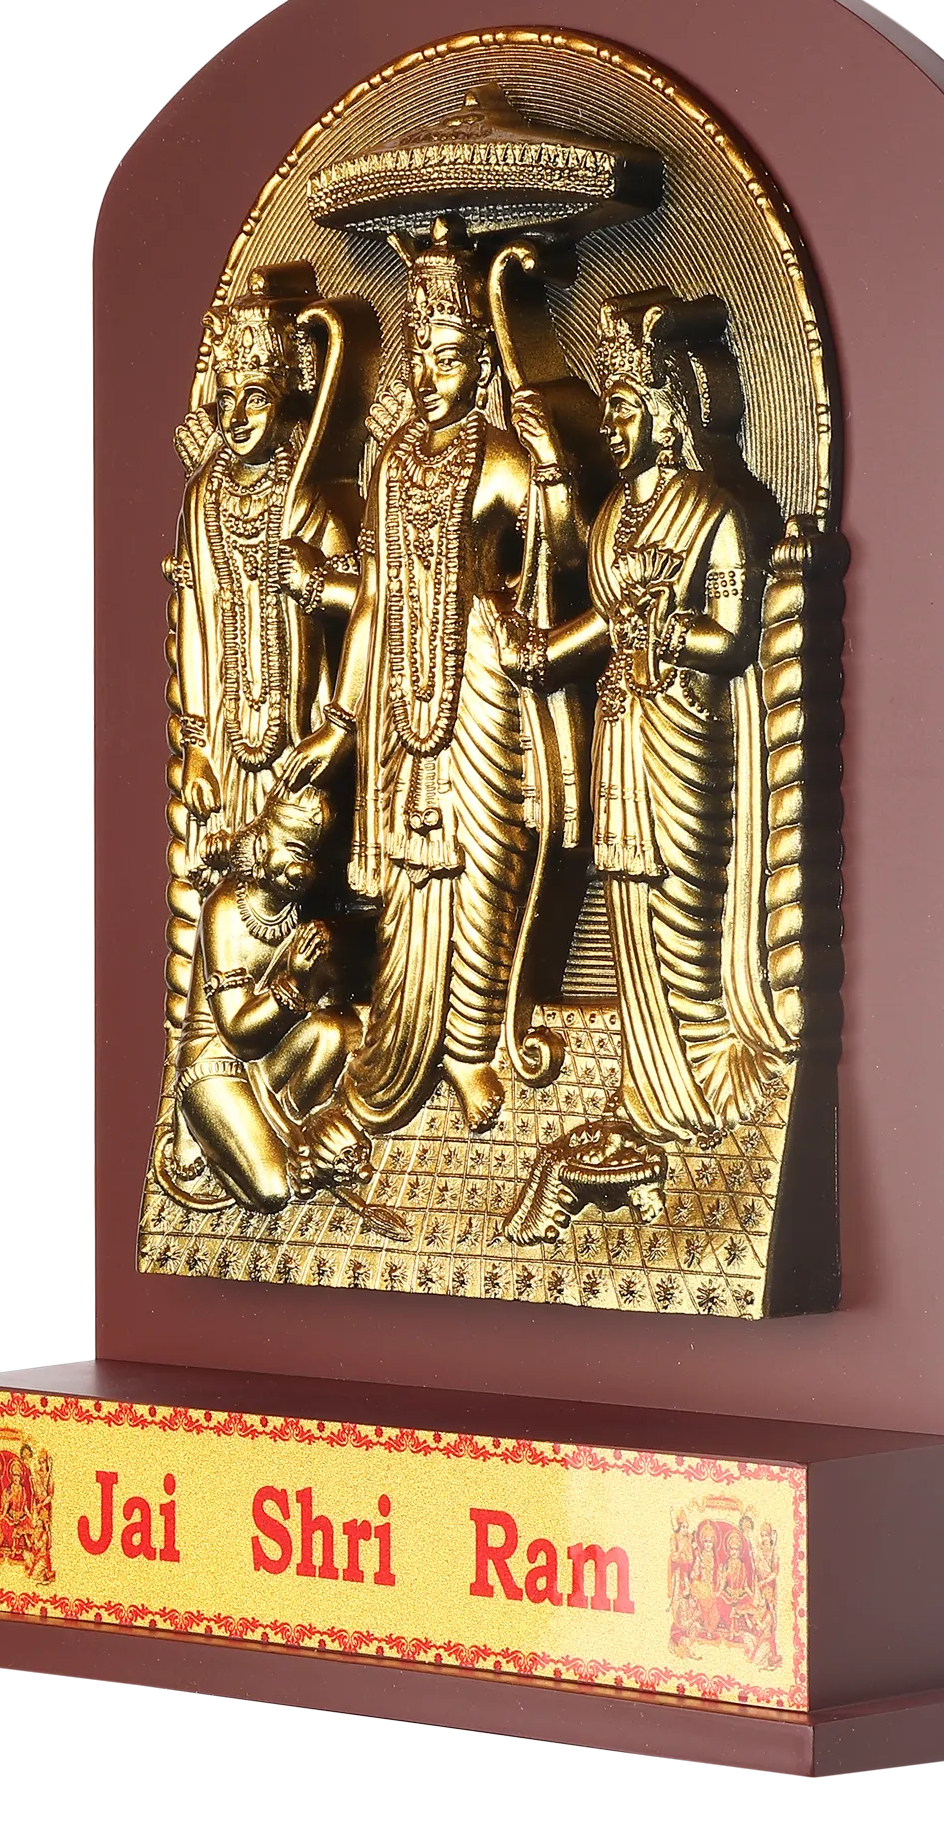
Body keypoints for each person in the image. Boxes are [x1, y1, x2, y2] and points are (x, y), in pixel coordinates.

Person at [285, 216, 578, 1160]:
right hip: (400, 691)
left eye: (448, 357)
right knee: (414, 880)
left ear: (478, 360)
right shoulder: (391, 461)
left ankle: (473, 1045)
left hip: (482, 677)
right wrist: (340, 720)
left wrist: (554, 474)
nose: (428, 375)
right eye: (419, 356)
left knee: (487, 861)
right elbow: (374, 595)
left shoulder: (503, 456)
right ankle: (407, 1045)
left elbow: (562, 562)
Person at [503, 294, 790, 1142]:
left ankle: (702, 1073)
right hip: (620, 730)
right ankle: (648, 1085)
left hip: (682, 732)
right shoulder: (608, 520)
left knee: (683, 900)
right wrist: (543, 652)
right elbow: (602, 620)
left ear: (666, 416)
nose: (609, 426)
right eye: (608, 409)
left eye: (624, 407)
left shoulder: (715, 511)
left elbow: (732, 637)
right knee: (627, 894)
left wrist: (668, 630)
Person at [150, 267, 361, 1204]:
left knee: (296, 902)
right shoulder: (204, 499)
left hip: (296, 747)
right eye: (228, 398)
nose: (238, 417)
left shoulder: (307, 503)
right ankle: (195, 1118)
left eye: (258, 398)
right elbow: (195, 622)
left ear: (287, 402)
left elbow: (367, 612)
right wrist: (196, 737)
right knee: (214, 905)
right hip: (227, 748)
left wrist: (316, 578)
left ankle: (270, 1097)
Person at [171, 783, 358, 1213]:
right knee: (273, 1191)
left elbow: (327, 1001)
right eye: (295, 851)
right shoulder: (224, 910)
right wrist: (294, 980)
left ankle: (283, 1128)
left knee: (336, 1033)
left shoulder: (299, 915)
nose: (304, 869)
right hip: (215, 1063)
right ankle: (204, 1126)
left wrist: (325, 956)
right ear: (260, 843)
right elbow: (237, 1032)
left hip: (266, 1066)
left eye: (313, 858)